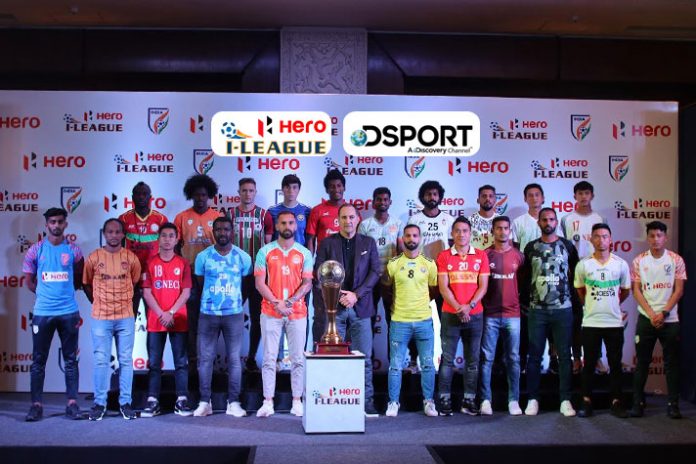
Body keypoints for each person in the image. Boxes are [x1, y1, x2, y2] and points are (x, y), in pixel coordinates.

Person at [314, 203, 381, 416]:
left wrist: (355, 295)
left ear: (358, 219)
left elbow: (375, 272)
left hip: (361, 307)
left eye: (351, 217)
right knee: (333, 358)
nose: (348, 221)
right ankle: (334, 402)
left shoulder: (368, 243)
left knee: (364, 358)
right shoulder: (327, 243)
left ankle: (366, 402)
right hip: (335, 308)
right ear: (338, 220)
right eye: (343, 217)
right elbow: (319, 272)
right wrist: (338, 294)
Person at [23, 207, 84, 422]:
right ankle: (36, 405)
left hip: (69, 312)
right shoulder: (35, 250)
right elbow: (29, 280)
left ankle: (72, 404)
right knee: (38, 361)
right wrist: (44, 295)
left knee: (71, 360)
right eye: (52, 222)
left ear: (65, 224)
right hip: (43, 313)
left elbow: (79, 278)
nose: (56, 225)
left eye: (59, 221)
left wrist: (63, 295)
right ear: (46, 224)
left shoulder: (74, 250)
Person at [254, 211, 313, 418]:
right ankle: (267, 402)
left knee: (298, 359)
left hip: (297, 312)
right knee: (269, 358)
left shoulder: (304, 253)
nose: (287, 226)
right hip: (271, 311)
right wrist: (276, 303)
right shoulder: (265, 251)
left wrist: (289, 302)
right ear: (277, 226)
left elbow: (307, 283)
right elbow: (259, 283)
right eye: (283, 223)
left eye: (290, 223)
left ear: (295, 226)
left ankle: (297, 401)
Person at [520, 208, 578, 417]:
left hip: (563, 310)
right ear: (539, 223)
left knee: (564, 356)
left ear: (556, 222)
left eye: (552, 219)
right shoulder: (530, 247)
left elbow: (576, 276)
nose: (548, 223)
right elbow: (524, 277)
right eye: (544, 219)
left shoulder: (567, 246)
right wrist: (526, 302)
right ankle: (532, 399)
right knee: (534, 356)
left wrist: (574, 304)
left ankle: (565, 400)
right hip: (537, 311)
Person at [193, 217, 252, 418]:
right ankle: (204, 402)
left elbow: (246, 286)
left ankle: (233, 402)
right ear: (213, 232)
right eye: (218, 229)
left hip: (234, 315)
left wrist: (233, 302)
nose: (222, 233)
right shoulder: (203, 257)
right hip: (207, 315)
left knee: (234, 359)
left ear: (232, 232)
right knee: (205, 359)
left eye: (226, 229)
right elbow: (200, 283)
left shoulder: (243, 257)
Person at [83, 218, 141, 421]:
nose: (114, 235)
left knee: (126, 361)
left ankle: (125, 403)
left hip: (125, 317)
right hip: (101, 318)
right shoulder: (94, 257)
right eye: (110, 232)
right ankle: (99, 403)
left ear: (123, 234)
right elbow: (86, 284)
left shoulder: (131, 258)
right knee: (101, 361)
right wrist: (99, 302)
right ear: (104, 234)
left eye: (118, 232)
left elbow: (135, 283)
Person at [630, 221, 686, 419]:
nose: (655, 239)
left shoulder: (676, 260)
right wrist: (651, 314)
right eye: (652, 236)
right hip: (647, 319)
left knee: (671, 363)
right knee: (642, 363)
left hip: (670, 319)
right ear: (647, 238)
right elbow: (636, 290)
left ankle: (673, 404)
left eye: (659, 235)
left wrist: (663, 313)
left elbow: (679, 290)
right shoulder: (639, 260)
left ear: (665, 237)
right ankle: (638, 403)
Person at [574, 224, 631, 418]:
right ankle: (586, 401)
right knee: (589, 364)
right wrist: (592, 305)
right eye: (597, 236)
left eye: (605, 236)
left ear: (610, 239)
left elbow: (625, 291)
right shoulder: (583, 265)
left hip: (614, 323)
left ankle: (616, 402)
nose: (601, 240)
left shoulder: (620, 264)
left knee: (615, 364)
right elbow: (580, 291)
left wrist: (612, 304)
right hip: (591, 322)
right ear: (591, 239)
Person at [436, 216, 489, 416]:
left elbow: (483, 286)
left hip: (475, 315)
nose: (461, 234)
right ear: (452, 233)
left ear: (470, 233)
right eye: (457, 231)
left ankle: (469, 400)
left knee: (472, 361)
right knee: (447, 360)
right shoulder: (444, 256)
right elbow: (443, 288)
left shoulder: (481, 255)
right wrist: (459, 308)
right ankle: (444, 399)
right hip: (451, 314)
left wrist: (470, 306)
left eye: (465, 231)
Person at [384, 224, 438, 417]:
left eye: (415, 235)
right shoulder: (393, 264)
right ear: (403, 239)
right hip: (400, 321)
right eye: (408, 235)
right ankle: (393, 402)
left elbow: (434, 290)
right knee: (395, 365)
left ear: (420, 238)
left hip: (424, 320)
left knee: (427, 364)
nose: (411, 239)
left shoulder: (429, 264)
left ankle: (429, 402)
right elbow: (387, 290)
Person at [141, 223, 193, 417]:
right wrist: (161, 313)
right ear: (158, 238)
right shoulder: (149, 263)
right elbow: (147, 293)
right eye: (164, 235)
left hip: (178, 319)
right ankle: (152, 401)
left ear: (177, 239)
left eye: (171, 236)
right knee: (154, 363)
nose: (167, 239)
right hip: (156, 321)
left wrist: (170, 312)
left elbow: (186, 292)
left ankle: (182, 400)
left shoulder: (183, 263)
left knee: (181, 362)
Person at [173, 174, 222, 368]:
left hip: (212, 277)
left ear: (209, 195)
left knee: (211, 319)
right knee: (192, 319)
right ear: (191, 195)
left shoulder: (217, 217)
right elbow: (175, 247)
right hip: (190, 276)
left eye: (203, 195)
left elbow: (223, 247)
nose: (200, 198)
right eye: (196, 195)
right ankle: (192, 359)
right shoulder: (181, 217)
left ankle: (209, 360)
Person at [560, 181, 608, 375]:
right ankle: (577, 358)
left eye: (587, 193)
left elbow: (604, 245)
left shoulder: (600, 218)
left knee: (596, 317)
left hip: (596, 275)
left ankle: (596, 358)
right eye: (580, 193)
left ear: (592, 196)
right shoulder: (567, 219)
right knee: (575, 319)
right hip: (574, 274)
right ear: (575, 196)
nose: (583, 197)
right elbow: (563, 247)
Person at [479, 216, 524, 416]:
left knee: (513, 358)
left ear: (510, 231)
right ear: (493, 231)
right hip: (490, 314)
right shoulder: (485, 255)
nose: (503, 231)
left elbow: (523, 283)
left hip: (513, 315)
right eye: (499, 228)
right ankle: (485, 400)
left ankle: (514, 400)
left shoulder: (519, 256)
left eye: (506, 228)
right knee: (487, 359)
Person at [227, 178, 273, 372]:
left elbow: (268, 247)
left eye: (251, 190)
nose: (247, 194)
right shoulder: (230, 214)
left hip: (257, 274)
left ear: (255, 192)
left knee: (257, 317)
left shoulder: (264, 215)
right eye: (244, 190)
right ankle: (232, 357)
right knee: (231, 316)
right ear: (239, 192)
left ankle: (252, 357)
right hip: (235, 274)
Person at [358, 187, 403, 362]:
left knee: (394, 321)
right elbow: (360, 253)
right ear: (373, 202)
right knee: (367, 320)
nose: (382, 202)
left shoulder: (398, 223)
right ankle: (366, 360)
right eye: (379, 199)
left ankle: (395, 362)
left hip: (391, 279)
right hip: (370, 279)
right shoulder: (365, 225)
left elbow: (401, 251)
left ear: (390, 202)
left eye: (385, 199)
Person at [307, 169, 348, 345]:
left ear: (344, 187)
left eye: (339, 186)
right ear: (326, 189)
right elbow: (310, 240)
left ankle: (344, 351)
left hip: (345, 270)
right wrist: (312, 268)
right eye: (332, 186)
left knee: (344, 314)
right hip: (322, 271)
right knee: (320, 315)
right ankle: (317, 349)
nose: (336, 189)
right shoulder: (317, 211)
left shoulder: (350, 211)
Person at [118, 181, 168, 317]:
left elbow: (168, 247)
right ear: (132, 197)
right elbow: (118, 248)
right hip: (130, 275)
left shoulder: (161, 219)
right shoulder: (123, 218)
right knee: (129, 316)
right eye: (138, 194)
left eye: (144, 194)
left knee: (153, 317)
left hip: (153, 275)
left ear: (150, 197)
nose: (141, 197)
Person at [510, 183, 545, 373]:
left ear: (543, 198)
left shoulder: (550, 219)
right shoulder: (518, 222)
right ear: (525, 199)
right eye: (530, 195)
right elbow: (515, 250)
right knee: (524, 322)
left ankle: (549, 358)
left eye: (537, 195)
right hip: (525, 276)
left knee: (547, 321)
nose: (534, 198)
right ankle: (523, 359)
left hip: (548, 277)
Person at [268, 174, 312, 246]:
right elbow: (268, 237)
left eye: (294, 187)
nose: (291, 191)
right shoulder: (272, 211)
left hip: (300, 252)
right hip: (278, 252)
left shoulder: (307, 211)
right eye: (287, 187)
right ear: (282, 189)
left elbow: (310, 238)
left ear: (299, 190)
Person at [468, 185, 498, 251]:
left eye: (490, 196)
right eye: (484, 196)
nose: (487, 199)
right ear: (478, 200)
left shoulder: (501, 221)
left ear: (495, 200)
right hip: (475, 256)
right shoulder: (469, 221)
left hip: (495, 256)